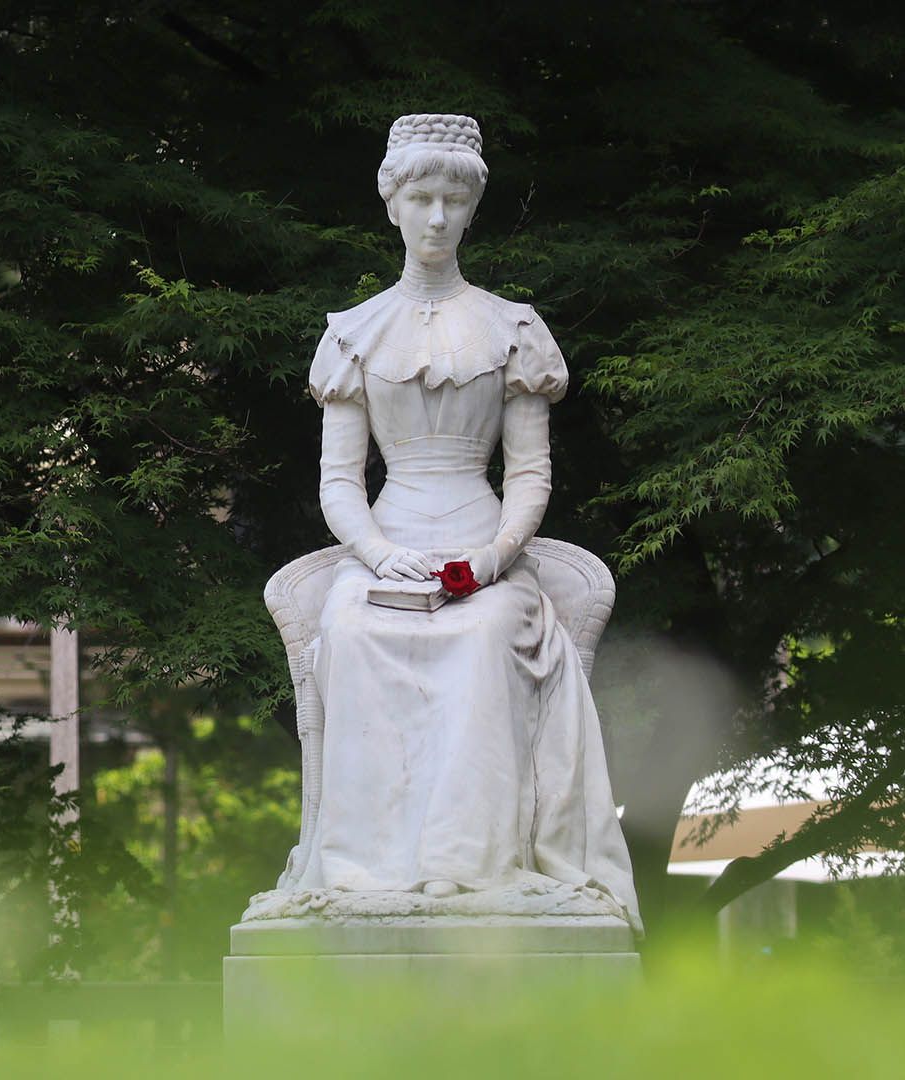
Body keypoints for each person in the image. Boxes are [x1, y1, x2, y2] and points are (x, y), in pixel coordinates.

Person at [271, 113, 640, 929]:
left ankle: (465, 866)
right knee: (351, 627)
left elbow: (531, 474)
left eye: (452, 200)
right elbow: (339, 481)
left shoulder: (512, 329)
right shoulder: (355, 334)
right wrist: (376, 554)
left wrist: (495, 556)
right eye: (421, 198)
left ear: (472, 210)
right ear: (393, 206)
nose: (436, 217)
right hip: (386, 554)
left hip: (485, 553)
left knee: (485, 638)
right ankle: (367, 869)